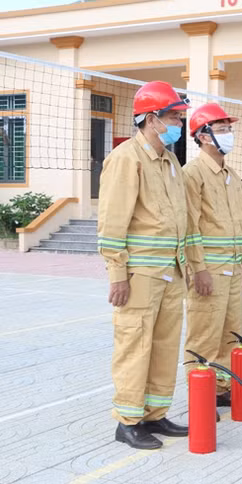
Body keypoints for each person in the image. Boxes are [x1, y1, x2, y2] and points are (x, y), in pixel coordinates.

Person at [97, 81, 190, 450]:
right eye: (174, 117)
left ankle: (154, 413)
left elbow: (181, 219)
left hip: (171, 273)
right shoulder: (126, 159)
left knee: (165, 346)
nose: (178, 123)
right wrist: (118, 274)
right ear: (152, 119)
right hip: (140, 276)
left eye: (180, 117)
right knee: (135, 346)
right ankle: (128, 421)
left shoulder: (170, 162)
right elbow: (112, 223)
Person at [182, 103, 242, 413]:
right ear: (203, 135)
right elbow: (189, 225)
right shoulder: (192, 174)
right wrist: (198, 269)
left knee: (230, 334)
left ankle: (221, 387)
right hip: (208, 269)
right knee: (204, 336)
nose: (229, 134)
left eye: (229, 128)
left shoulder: (231, 175)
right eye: (222, 129)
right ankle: (201, 393)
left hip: (232, 268)